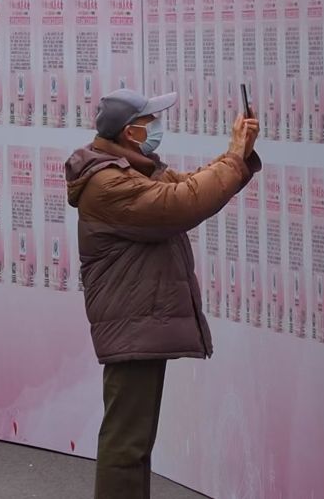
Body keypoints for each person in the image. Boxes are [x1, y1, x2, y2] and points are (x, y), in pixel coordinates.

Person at [65, 88, 260, 499]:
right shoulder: (108, 183)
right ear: (130, 132)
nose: (155, 127)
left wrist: (238, 155)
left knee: (134, 442)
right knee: (126, 443)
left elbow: (192, 185)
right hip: (130, 323)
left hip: (139, 321)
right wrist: (233, 156)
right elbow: (181, 203)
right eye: (148, 121)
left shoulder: (133, 171)